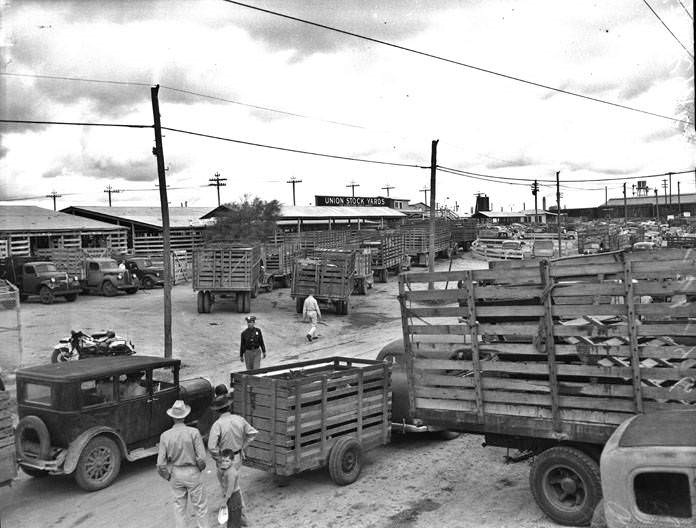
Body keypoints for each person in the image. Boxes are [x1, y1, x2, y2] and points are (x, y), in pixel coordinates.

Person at [156, 400, 210, 528]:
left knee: (179, 508)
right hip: (192, 471)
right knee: (200, 507)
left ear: (172, 417)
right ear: (185, 416)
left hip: (176, 471)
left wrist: (168, 476)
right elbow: (202, 458)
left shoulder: (165, 436)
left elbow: (160, 464)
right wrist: (199, 469)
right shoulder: (193, 432)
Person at [208, 391, 257, 527]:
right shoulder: (239, 419)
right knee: (234, 487)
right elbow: (252, 433)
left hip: (225, 460)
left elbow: (212, 447)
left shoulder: (217, 425)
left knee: (229, 489)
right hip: (237, 457)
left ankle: (237, 518)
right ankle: (239, 518)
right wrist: (242, 447)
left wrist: (219, 459)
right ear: (229, 407)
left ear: (217, 411)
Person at [218, 449, 243, 528]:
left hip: (233, 497)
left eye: (227, 461)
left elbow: (230, 489)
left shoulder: (231, 473)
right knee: (232, 520)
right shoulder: (226, 470)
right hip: (231, 497)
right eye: (223, 461)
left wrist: (224, 502)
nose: (224, 463)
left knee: (233, 522)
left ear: (232, 461)